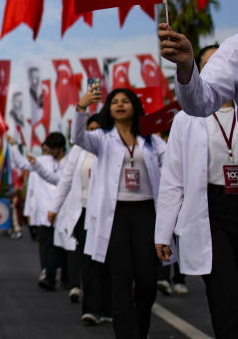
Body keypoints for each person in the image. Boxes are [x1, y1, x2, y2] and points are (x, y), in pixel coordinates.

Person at [155, 42, 238, 336]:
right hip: (213, 211)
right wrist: (163, 232)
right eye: (211, 64)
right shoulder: (186, 119)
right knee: (225, 298)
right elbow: (173, 179)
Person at [73, 84, 163, 339]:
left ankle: (140, 328)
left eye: (126, 100)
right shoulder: (101, 138)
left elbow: (172, 166)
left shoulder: (152, 139)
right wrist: (81, 108)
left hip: (147, 213)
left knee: (147, 280)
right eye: (115, 102)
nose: (120, 104)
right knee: (120, 279)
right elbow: (78, 137)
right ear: (109, 109)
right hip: (115, 217)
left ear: (135, 106)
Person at [47, 113, 111, 325]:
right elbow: (65, 180)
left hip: (109, 213)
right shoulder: (78, 150)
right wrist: (54, 207)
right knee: (89, 261)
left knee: (109, 261)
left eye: (98, 128)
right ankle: (91, 308)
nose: (94, 132)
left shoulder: (113, 146)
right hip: (83, 212)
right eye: (90, 128)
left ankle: (109, 308)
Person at [9, 132, 67, 291]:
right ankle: (49, 276)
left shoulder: (70, 162)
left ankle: (63, 275)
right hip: (45, 211)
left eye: (53, 148)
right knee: (47, 245)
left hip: (63, 210)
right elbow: (21, 163)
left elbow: (57, 180)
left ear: (61, 148)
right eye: (48, 148)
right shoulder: (42, 160)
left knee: (62, 246)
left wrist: (38, 166)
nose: (50, 151)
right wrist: (13, 146)